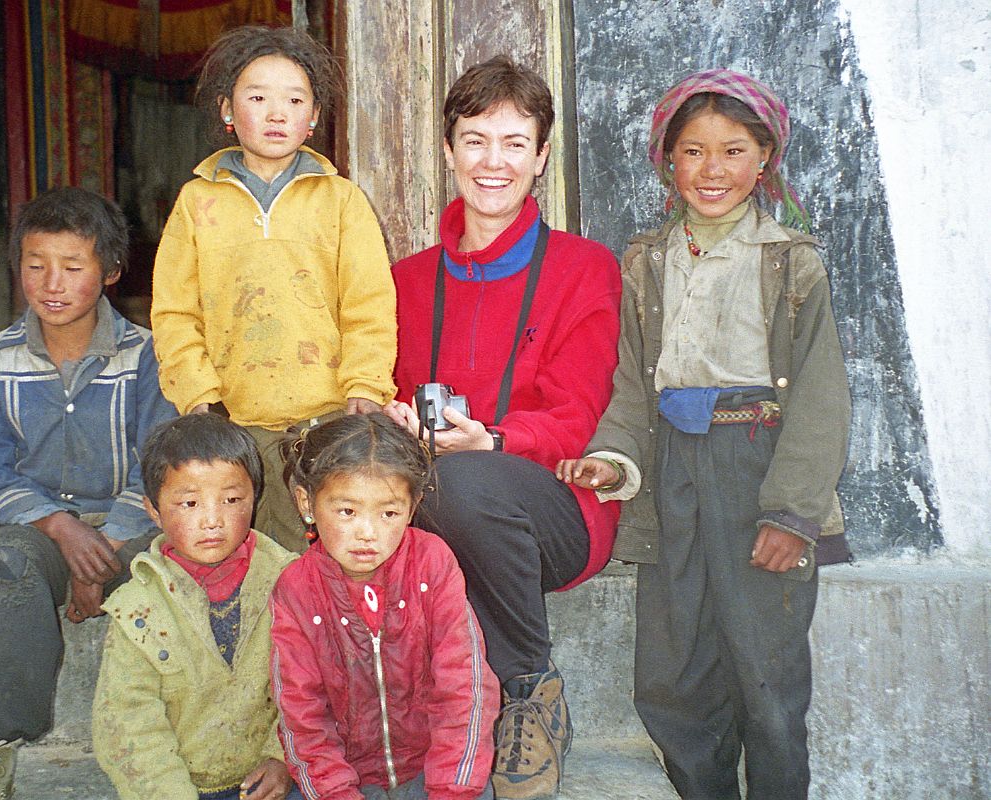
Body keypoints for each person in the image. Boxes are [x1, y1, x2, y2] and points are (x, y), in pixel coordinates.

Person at [556, 69, 851, 800]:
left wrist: (791, 513)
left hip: (755, 465)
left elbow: (820, 399)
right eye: (692, 151)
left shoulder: (790, 263)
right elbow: (632, 382)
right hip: (671, 475)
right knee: (670, 671)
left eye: (731, 150)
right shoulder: (645, 262)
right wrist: (610, 457)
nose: (711, 169)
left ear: (763, 159)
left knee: (765, 672)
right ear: (668, 160)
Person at [384, 56, 620, 798]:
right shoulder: (405, 280)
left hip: (552, 506)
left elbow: (575, 416)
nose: (494, 162)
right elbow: (382, 393)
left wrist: (492, 440)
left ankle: (528, 693)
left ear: (542, 157)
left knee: (461, 478)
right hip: (433, 499)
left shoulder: (585, 268)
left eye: (514, 142)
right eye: (475, 140)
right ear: (448, 150)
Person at [0, 187, 178, 800]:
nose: (52, 283)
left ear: (111, 272)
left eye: (73, 267)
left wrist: (100, 554)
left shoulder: (147, 354)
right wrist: (65, 532)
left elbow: (160, 467)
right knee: (3, 565)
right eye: (35, 264)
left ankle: (189, 743)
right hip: (43, 530)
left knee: (190, 572)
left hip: (135, 526)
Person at [151, 25, 397, 553]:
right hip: (235, 425)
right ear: (227, 110)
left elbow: (369, 305)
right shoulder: (197, 203)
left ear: (312, 119)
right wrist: (199, 398)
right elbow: (174, 312)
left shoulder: (340, 200)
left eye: (294, 99)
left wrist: (365, 387)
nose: (276, 112)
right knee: (249, 561)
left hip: (329, 418)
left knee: (332, 559)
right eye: (257, 97)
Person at [269, 413, 499, 800]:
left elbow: (466, 686)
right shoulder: (296, 590)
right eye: (347, 511)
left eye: (389, 513)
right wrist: (337, 793)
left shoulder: (432, 564)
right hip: (346, 780)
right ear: (307, 502)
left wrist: (451, 789)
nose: (367, 533)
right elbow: (302, 715)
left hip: (435, 772)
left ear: (412, 508)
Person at [92, 413, 296, 800]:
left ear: (255, 497)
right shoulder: (137, 610)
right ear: (153, 509)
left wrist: (281, 757)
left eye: (232, 500)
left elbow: (314, 687)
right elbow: (128, 724)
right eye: (189, 503)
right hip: (179, 786)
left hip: (278, 777)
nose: (212, 520)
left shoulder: (291, 583)